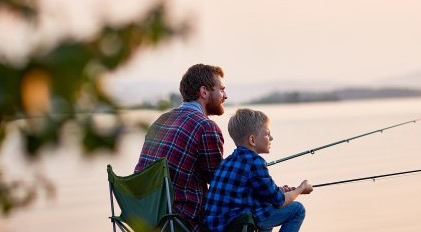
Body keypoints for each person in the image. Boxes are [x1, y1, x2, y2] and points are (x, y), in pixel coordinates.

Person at [134, 64, 228, 231]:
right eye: (221, 90)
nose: (225, 96)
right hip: (180, 221)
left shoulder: (162, 119)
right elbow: (220, 185)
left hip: (145, 218)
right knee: (255, 213)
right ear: (204, 92)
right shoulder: (206, 127)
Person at [203, 108, 313, 232]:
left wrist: (281, 190)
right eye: (267, 134)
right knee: (297, 209)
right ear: (252, 140)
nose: (271, 138)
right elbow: (280, 201)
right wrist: (301, 189)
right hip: (235, 226)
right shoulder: (255, 162)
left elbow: (260, 192)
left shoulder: (228, 161)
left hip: (216, 226)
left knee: (265, 206)